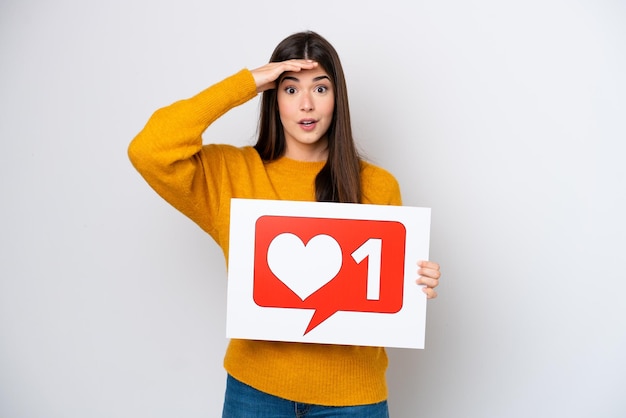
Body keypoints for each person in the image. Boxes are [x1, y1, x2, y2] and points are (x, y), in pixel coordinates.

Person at [128, 31, 441, 418]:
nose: (306, 105)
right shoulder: (232, 174)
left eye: (320, 89)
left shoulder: (377, 185)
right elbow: (149, 148)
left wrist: (414, 284)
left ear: (337, 98)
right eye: (291, 90)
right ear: (273, 98)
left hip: (352, 397)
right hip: (255, 392)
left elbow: (384, 297)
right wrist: (247, 82)